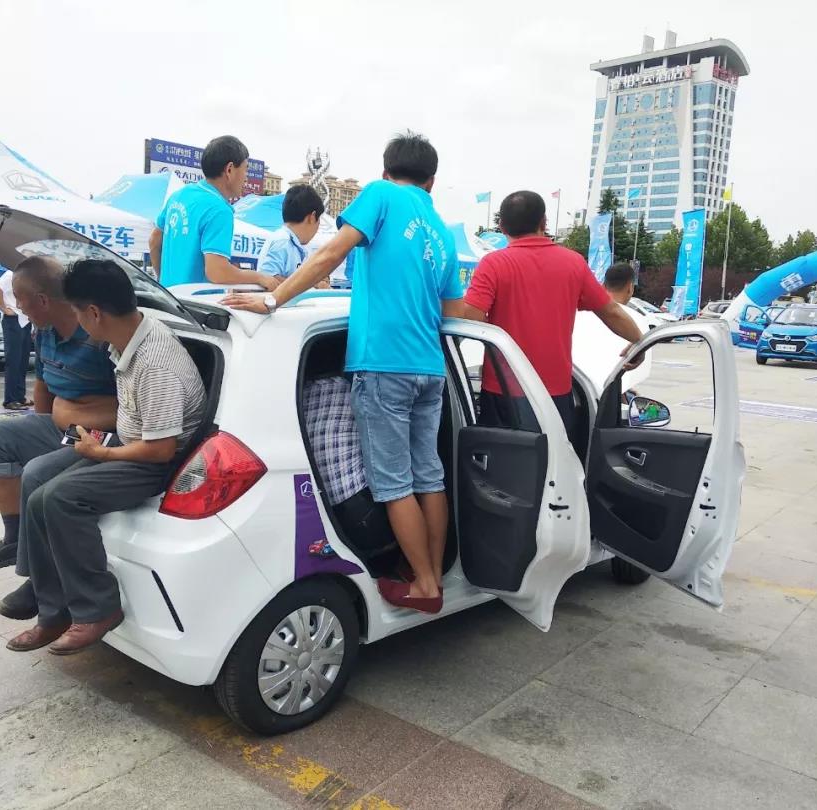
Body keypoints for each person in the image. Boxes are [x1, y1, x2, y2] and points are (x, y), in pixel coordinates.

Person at [223, 131, 462, 614]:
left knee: (394, 484)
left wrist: (272, 299)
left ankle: (423, 583)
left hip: (383, 364)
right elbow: (454, 310)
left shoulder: (380, 196)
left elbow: (332, 253)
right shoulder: (440, 228)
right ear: (432, 182)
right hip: (430, 369)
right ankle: (433, 574)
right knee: (429, 478)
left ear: (384, 169)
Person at [6, 259, 206, 654]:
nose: (76, 321)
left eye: (78, 312)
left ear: (95, 313)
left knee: (59, 498)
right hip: (126, 440)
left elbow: (161, 449)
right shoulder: (129, 329)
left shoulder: (156, 363)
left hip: (153, 461)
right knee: (36, 478)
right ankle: (50, 606)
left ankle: (97, 608)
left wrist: (99, 452)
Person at [0, 255, 118, 625]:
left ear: (44, 300)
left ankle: (37, 581)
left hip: (102, 434)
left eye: (20, 297)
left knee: (37, 473)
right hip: (61, 425)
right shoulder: (43, 331)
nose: (16, 304)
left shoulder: (98, 336)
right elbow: (44, 383)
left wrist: (78, 414)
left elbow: (130, 405)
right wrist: (41, 426)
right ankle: (14, 538)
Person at [460, 191, 643, 440]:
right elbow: (610, 311)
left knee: (501, 468)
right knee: (554, 467)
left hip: (503, 391)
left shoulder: (493, 264)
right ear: (544, 222)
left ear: (501, 226)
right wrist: (639, 343)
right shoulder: (573, 263)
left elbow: (469, 319)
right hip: (556, 393)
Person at [149, 135, 279, 292]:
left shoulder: (179, 196)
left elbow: (154, 241)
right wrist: (260, 277)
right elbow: (217, 272)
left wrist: (164, 282)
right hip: (197, 307)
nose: (246, 178)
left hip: (169, 301)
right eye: (245, 169)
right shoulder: (219, 210)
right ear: (230, 169)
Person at [256, 185, 329, 287]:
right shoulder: (283, 241)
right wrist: (313, 286)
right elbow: (267, 278)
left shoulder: (292, 243)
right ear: (312, 217)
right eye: (319, 220)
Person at [0, 269, 34, 410]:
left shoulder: (27, 276)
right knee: (13, 360)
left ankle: (19, 396)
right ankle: (10, 399)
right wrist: (5, 309)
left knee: (23, 360)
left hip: (25, 319)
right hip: (13, 318)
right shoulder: (11, 274)